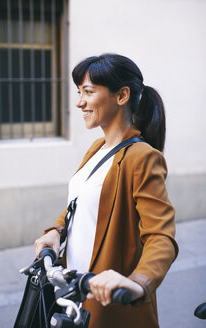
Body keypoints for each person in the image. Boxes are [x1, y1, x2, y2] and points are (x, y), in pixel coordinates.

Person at [35, 53, 178, 328]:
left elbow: (161, 235)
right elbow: (80, 202)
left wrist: (138, 282)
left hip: (109, 304)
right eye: (79, 92)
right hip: (74, 292)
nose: (79, 102)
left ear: (122, 95)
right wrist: (55, 230)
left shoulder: (141, 157)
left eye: (88, 92)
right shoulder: (96, 149)